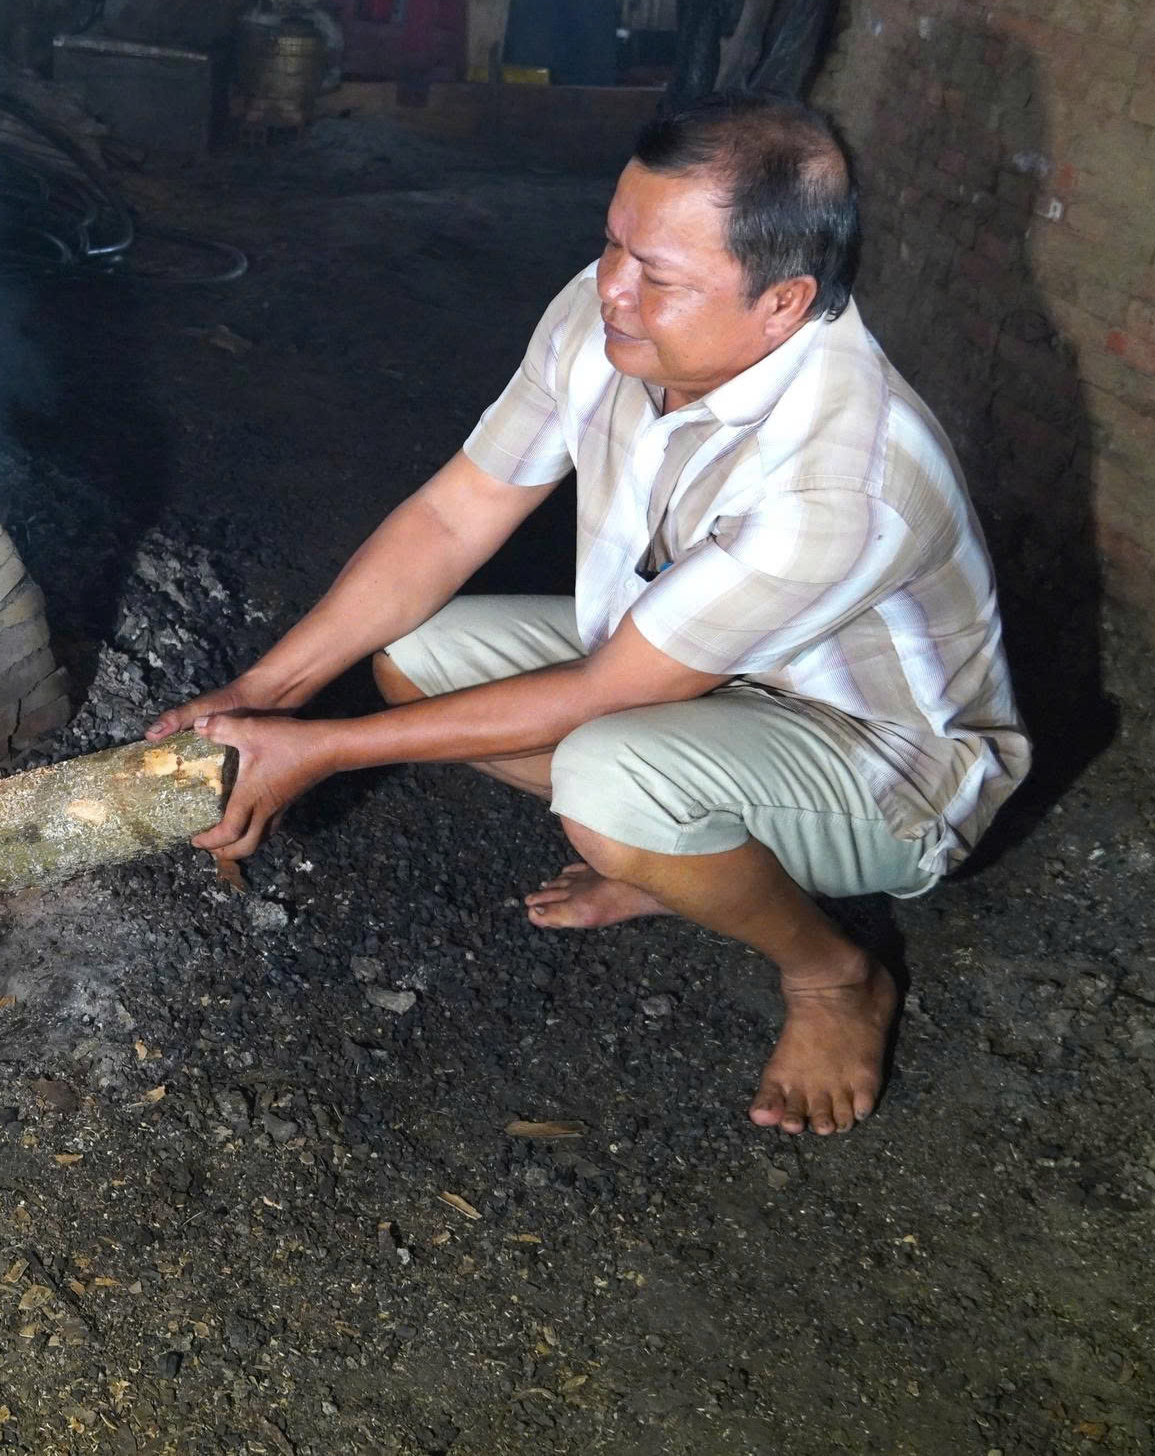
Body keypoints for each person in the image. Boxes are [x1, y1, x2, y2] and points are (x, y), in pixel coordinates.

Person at [150, 93, 1028, 1137]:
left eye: (659, 273)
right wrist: (266, 691)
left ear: (783, 303)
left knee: (609, 783)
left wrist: (317, 750)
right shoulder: (611, 312)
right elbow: (454, 511)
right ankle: (684, 861)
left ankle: (832, 975)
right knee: (418, 655)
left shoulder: (847, 474)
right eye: (614, 242)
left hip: (881, 764)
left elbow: (603, 697)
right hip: (684, 666)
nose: (611, 286)